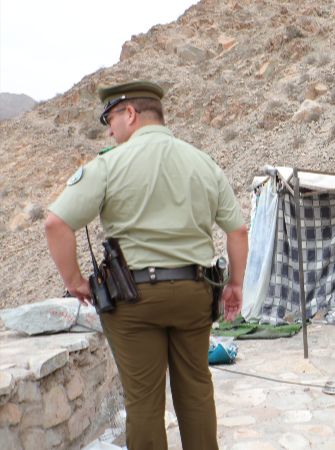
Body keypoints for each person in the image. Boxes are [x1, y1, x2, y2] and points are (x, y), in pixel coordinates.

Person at [44, 81, 248, 450]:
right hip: (194, 293)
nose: (109, 130)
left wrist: (75, 282)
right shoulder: (202, 162)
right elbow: (238, 231)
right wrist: (235, 284)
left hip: (133, 299)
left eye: (110, 119)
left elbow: (56, 223)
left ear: (130, 114)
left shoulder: (108, 164)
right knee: (197, 392)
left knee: (143, 403)